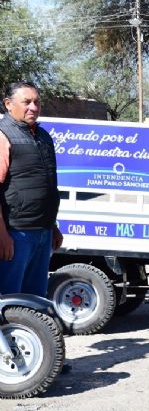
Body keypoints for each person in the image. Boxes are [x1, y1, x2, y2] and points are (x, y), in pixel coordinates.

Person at [0, 81, 63, 296]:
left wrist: (52, 226)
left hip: (42, 232)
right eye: (27, 102)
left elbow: (48, 186)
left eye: (37, 102)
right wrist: (2, 235)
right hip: (15, 233)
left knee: (34, 300)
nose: (33, 108)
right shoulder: (3, 135)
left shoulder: (44, 137)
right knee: (10, 300)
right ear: (8, 104)